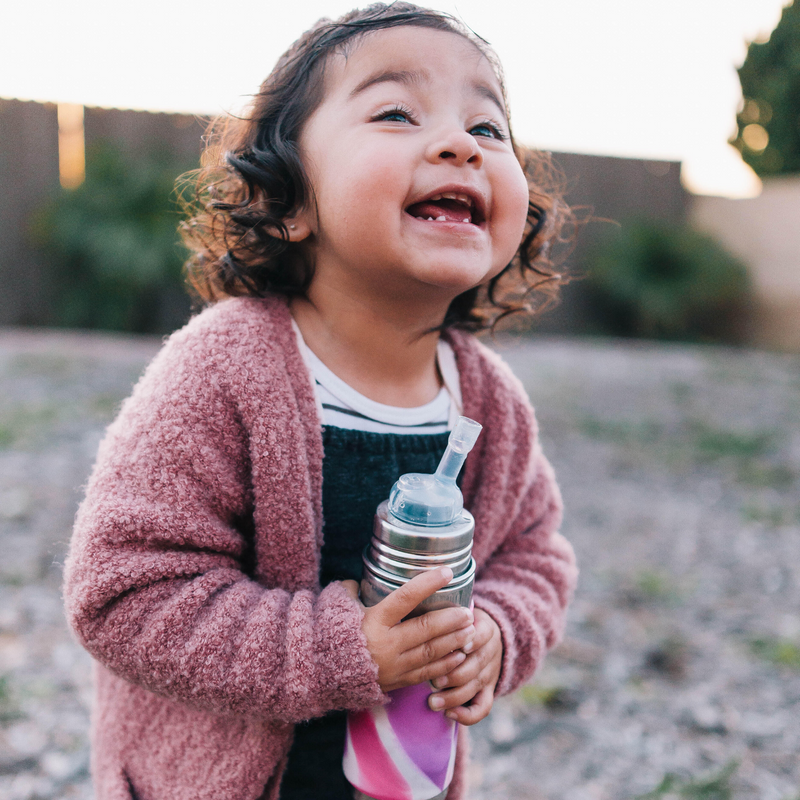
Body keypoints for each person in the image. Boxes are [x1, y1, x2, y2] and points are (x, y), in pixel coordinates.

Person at [63, 4, 578, 799]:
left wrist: (497, 630)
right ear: (291, 201)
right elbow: (124, 588)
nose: (458, 144)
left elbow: (535, 556)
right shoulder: (224, 369)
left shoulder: (489, 404)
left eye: (488, 126)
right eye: (397, 112)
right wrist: (341, 648)